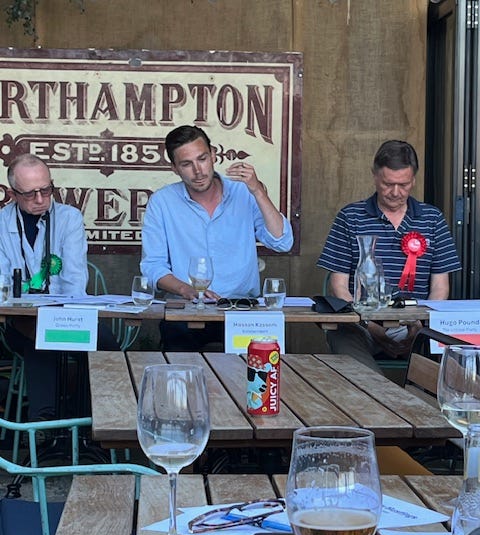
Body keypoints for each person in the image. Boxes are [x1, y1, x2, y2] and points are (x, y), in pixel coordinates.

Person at [141, 125, 294, 350]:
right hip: (188, 311)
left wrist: (258, 191)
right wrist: (187, 290)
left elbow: (282, 242)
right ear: (174, 168)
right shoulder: (162, 202)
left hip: (243, 308)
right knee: (181, 370)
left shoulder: (244, 192)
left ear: (214, 154)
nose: (198, 170)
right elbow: (153, 266)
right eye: (186, 164)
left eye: (202, 158)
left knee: (257, 375)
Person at [317, 140, 461, 373]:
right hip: (361, 324)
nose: (395, 192)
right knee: (344, 339)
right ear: (374, 176)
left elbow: (440, 288)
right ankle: (376, 396)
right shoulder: (350, 217)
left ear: (414, 179)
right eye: (388, 184)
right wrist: (370, 326)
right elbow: (338, 287)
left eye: (403, 185)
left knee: (455, 351)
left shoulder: (432, 219)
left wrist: (419, 326)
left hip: (417, 325)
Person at [0, 153, 119, 420]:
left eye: (46, 190)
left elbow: (75, 281)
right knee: (38, 338)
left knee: (106, 344)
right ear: (13, 193)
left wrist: (58, 316)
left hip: (68, 315)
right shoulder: (1, 223)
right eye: (31, 194)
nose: (41, 200)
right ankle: (44, 429)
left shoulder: (69, 218)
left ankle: (99, 423)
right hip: (20, 321)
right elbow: (3, 286)